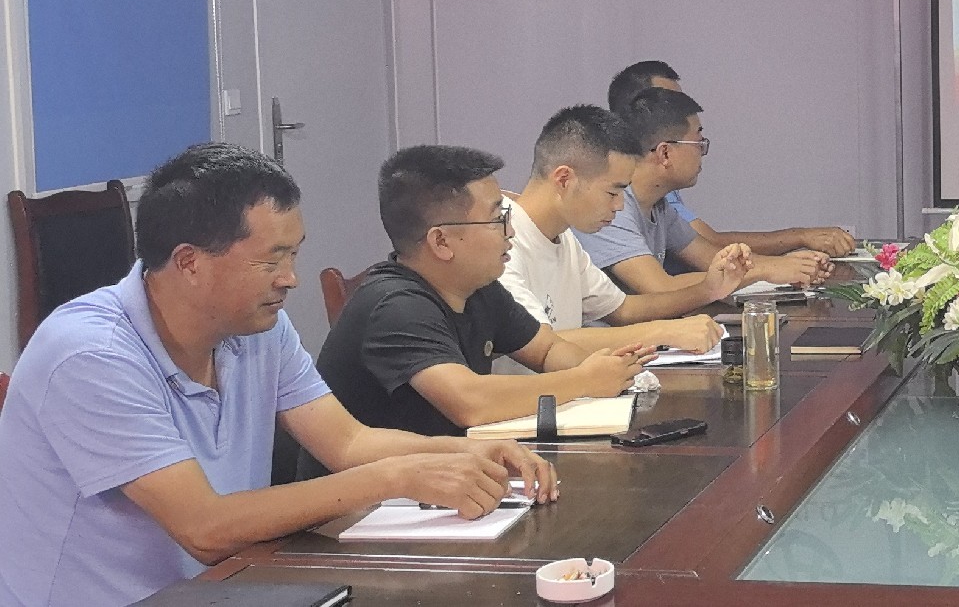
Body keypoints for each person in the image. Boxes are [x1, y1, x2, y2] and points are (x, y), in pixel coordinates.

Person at [0, 143, 555, 607]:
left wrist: (466, 452)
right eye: (271, 260)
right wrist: (395, 477)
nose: (291, 279)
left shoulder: (259, 328)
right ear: (190, 262)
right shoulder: (90, 354)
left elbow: (348, 442)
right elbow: (204, 528)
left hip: (221, 588)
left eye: (294, 255)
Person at [310, 145, 651, 442]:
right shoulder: (395, 306)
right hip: (366, 492)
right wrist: (583, 381)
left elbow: (546, 349)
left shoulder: (478, 288)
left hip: (441, 472)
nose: (511, 231)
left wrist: (604, 370)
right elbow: (470, 402)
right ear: (441, 241)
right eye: (497, 218)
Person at [499, 104, 736, 357]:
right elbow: (537, 341)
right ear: (564, 179)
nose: (620, 205)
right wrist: (663, 331)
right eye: (613, 192)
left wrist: (708, 290)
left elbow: (623, 309)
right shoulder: (498, 240)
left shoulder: (565, 237)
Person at [608, 59, 855, 271]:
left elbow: (709, 255)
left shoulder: (660, 204)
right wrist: (778, 263)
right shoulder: (617, 204)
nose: (677, 106)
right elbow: (658, 289)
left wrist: (788, 265)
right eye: (667, 102)